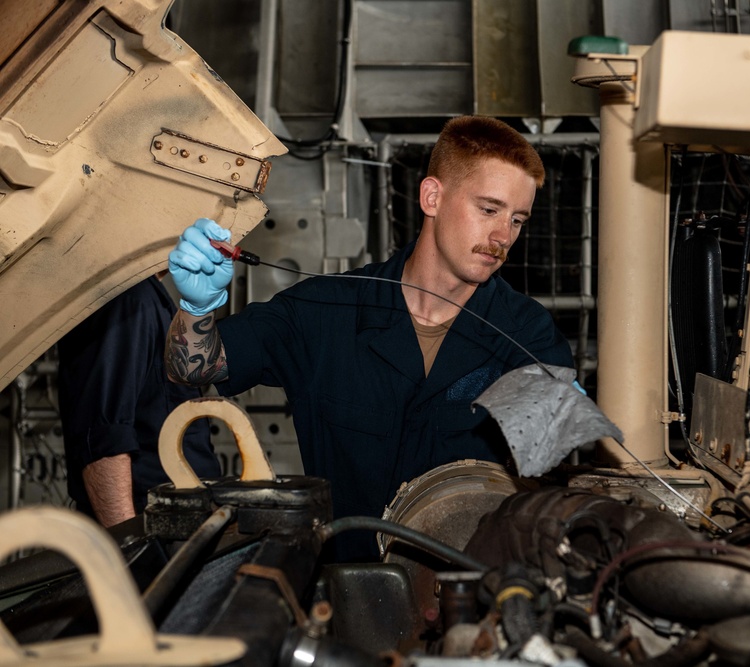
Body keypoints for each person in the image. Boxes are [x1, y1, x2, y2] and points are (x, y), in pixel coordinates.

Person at [165, 115, 575, 560]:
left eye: (517, 220)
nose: (502, 237)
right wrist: (195, 309)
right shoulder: (327, 311)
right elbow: (194, 367)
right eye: (489, 209)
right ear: (432, 196)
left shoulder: (527, 333)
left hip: (475, 596)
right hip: (346, 592)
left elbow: (551, 486)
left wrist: (567, 430)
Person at [58, 273, 221, 528]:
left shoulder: (146, 297)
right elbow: (104, 441)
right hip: (149, 527)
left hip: (171, 525)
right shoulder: (127, 301)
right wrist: (129, 549)